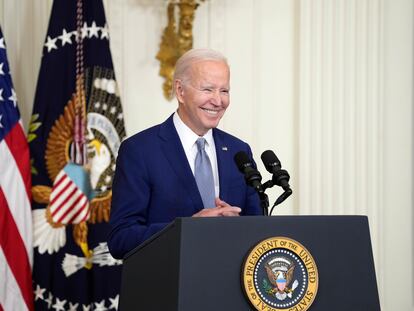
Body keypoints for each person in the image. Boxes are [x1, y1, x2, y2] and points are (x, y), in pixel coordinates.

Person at [108, 48, 261, 259]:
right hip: (168, 286)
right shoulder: (139, 151)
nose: (218, 101)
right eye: (208, 89)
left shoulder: (238, 151)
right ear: (180, 91)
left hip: (229, 286)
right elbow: (120, 238)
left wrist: (237, 224)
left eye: (224, 91)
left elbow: (258, 229)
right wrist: (187, 229)